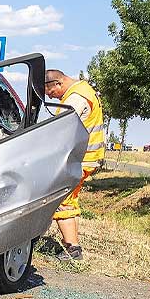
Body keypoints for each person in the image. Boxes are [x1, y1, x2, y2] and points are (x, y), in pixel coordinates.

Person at [44, 69, 105, 261]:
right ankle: (73, 245)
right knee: (70, 198)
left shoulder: (75, 99)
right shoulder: (84, 90)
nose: (50, 96)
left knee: (62, 200)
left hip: (79, 158)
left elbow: (60, 129)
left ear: (58, 84)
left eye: (51, 93)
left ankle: (73, 249)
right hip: (86, 157)